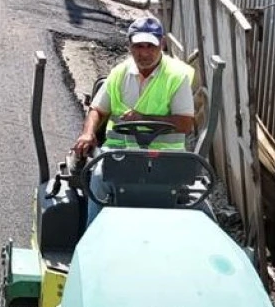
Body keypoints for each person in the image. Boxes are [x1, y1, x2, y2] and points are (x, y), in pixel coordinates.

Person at [73, 16, 195, 223]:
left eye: (150, 46)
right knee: (99, 178)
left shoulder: (176, 76)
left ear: (162, 44)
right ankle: (93, 235)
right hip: (120, 153)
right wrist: (88, 133)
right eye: (138, 46)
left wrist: (143, 118)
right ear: (129, 45)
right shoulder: (119, 73)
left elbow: (185, 123)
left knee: (195, 206)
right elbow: (98, 109)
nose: (144, 53)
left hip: (165, 156)